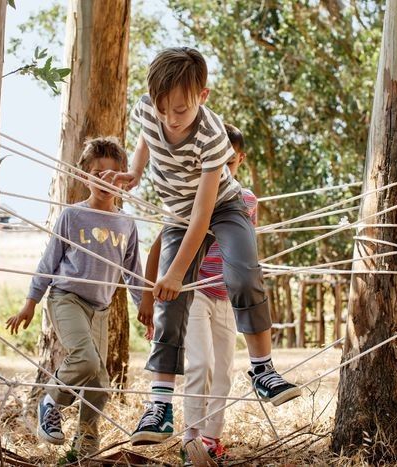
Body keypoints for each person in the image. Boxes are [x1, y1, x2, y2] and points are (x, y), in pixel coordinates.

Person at [102, 47, 301, 446]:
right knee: (169, 304)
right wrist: (135, 171)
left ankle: (263, 369)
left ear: (202, 97)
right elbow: (145, 134)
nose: (169, 120)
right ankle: (160, 407)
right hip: (178, 213)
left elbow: (202, 217)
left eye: (180, 110)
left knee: (243, 273)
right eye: (162, 109)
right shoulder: (149, 109)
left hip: (221, 208)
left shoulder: (211, 137)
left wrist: (176, 270)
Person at [6, 137, 143, 457]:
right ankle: (50, 402)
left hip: (101, 308)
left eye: (113, 174)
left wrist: (144, 307)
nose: (105, 180)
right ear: (84, 176)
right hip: (66, 298)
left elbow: (133, 272)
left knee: (100, 381)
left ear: (124, 177)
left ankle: (84, 444)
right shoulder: (72, 216)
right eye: (97, 173)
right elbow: (49, 260)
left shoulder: (126, 223)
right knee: (86, 358)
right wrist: (31, 301)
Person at [139, 124, 258, 464]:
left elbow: (248, 249)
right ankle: (191, 437)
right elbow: (160, 247)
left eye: (230, 164)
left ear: (239, 160)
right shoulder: (190, 195)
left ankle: (211, 440)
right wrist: (149, 298)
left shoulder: (247, 201)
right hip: (195, 291)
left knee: (224, 371)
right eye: (216, 165)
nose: (223, 172)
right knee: (201, 364)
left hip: (227, 295)